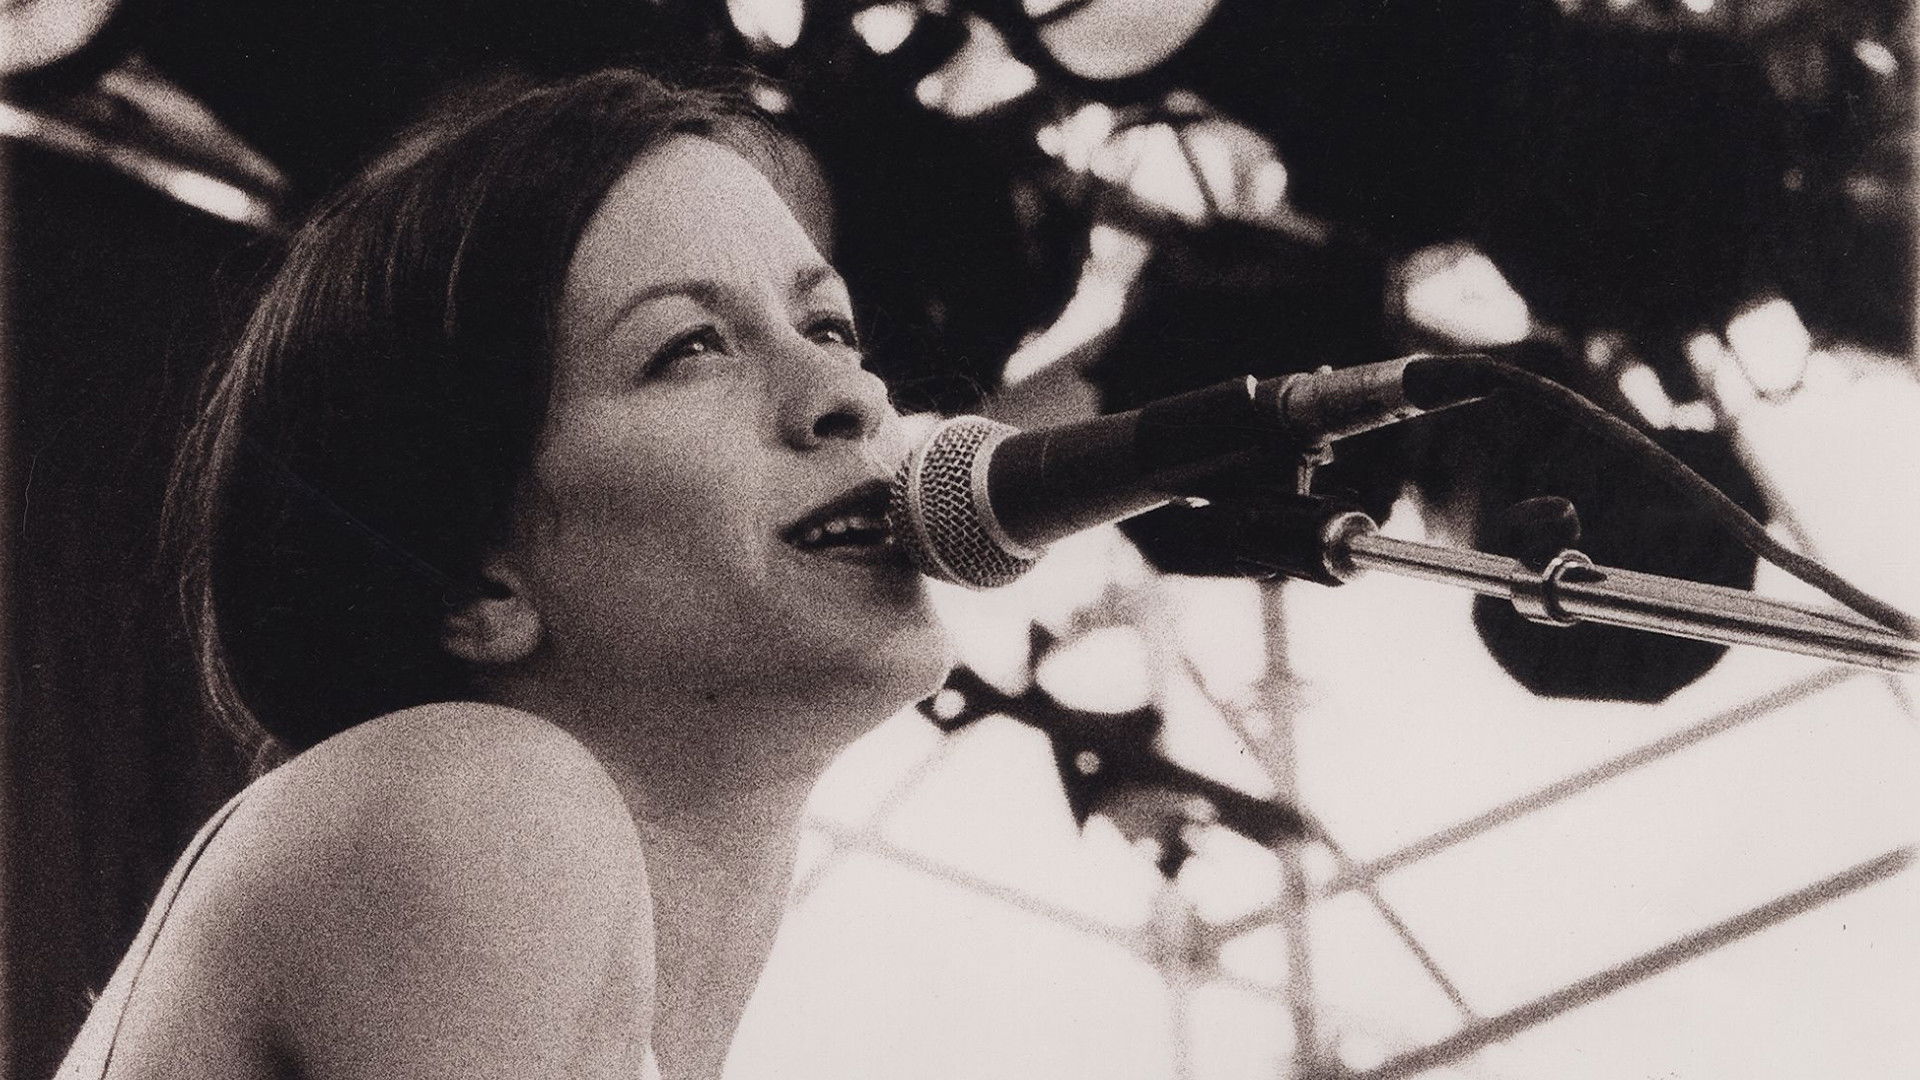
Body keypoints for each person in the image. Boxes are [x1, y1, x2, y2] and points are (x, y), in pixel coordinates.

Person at [56, 68, 952, 1080]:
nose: (848, 391)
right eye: (690, 347)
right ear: (474, 587)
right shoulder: (482, 792)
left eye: (828, 326)